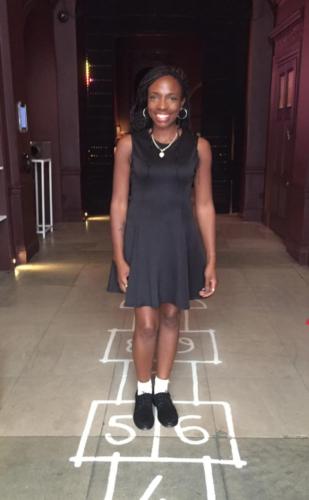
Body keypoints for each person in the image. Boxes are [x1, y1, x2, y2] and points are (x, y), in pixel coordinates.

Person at [107, 65, 217, 430]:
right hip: (141, 241)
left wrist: (211, 260)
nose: (163, 104)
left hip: (179, 241)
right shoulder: (128, 145)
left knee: (171, 315)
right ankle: (142, 391)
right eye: (155, 96)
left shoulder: (198, 146)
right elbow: (119, 203)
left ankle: (162, 390)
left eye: (171, 96)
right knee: (147, 323)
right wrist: (120, 256)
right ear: (145, 102)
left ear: (183, 102)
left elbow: (204, 205)